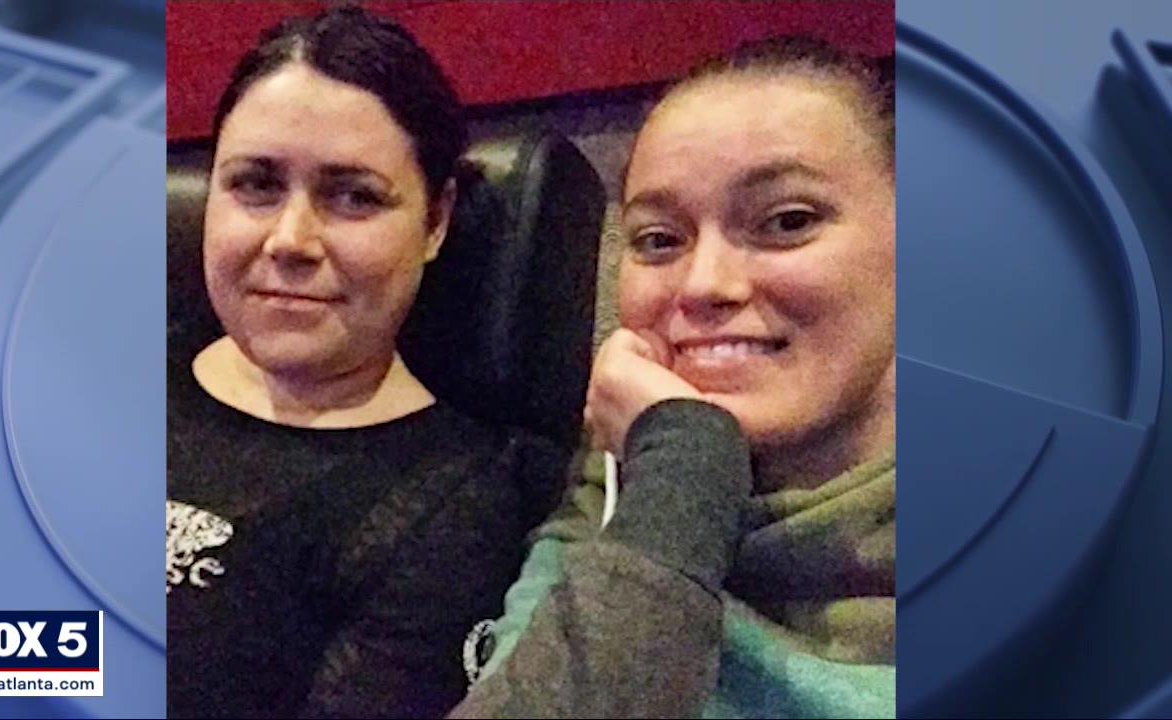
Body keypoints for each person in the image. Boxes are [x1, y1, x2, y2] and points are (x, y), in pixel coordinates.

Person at [451, 34, 896, 719]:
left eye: (787, 222)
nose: (704, 284)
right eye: (659, 240)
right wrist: (685, 466)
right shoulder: (618, 488)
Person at [166, 8, 567, 718]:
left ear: (435, 221)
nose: (290, 240)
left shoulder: (453, 508)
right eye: (256, 184)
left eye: (354, 196)